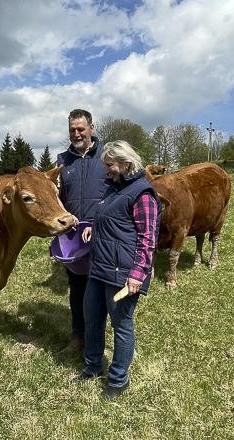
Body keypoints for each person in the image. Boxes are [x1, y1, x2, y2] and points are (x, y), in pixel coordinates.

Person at [77, 140, 159, 399]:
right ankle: (92, 367)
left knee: (121, 326)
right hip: (99, 267)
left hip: (123, 274)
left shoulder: (142, 194)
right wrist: (93, 224)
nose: (107, 171)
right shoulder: (113, 189)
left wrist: (138, 273)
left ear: (126, 164)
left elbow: (148, 237)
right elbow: (108, 216)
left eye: (110, 165)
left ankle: (118, 379)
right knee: (92, 318)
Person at [56, 109, 109, 353]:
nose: (76, 134)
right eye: (72, 130)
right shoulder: (61, 161)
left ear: (92, 128)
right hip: (74, 235)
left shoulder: (107, 156)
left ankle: (96, 340)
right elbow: (56, 201)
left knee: (99, 288)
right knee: (76, 288)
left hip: (103, 233)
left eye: (81, 129)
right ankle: (78, 337)